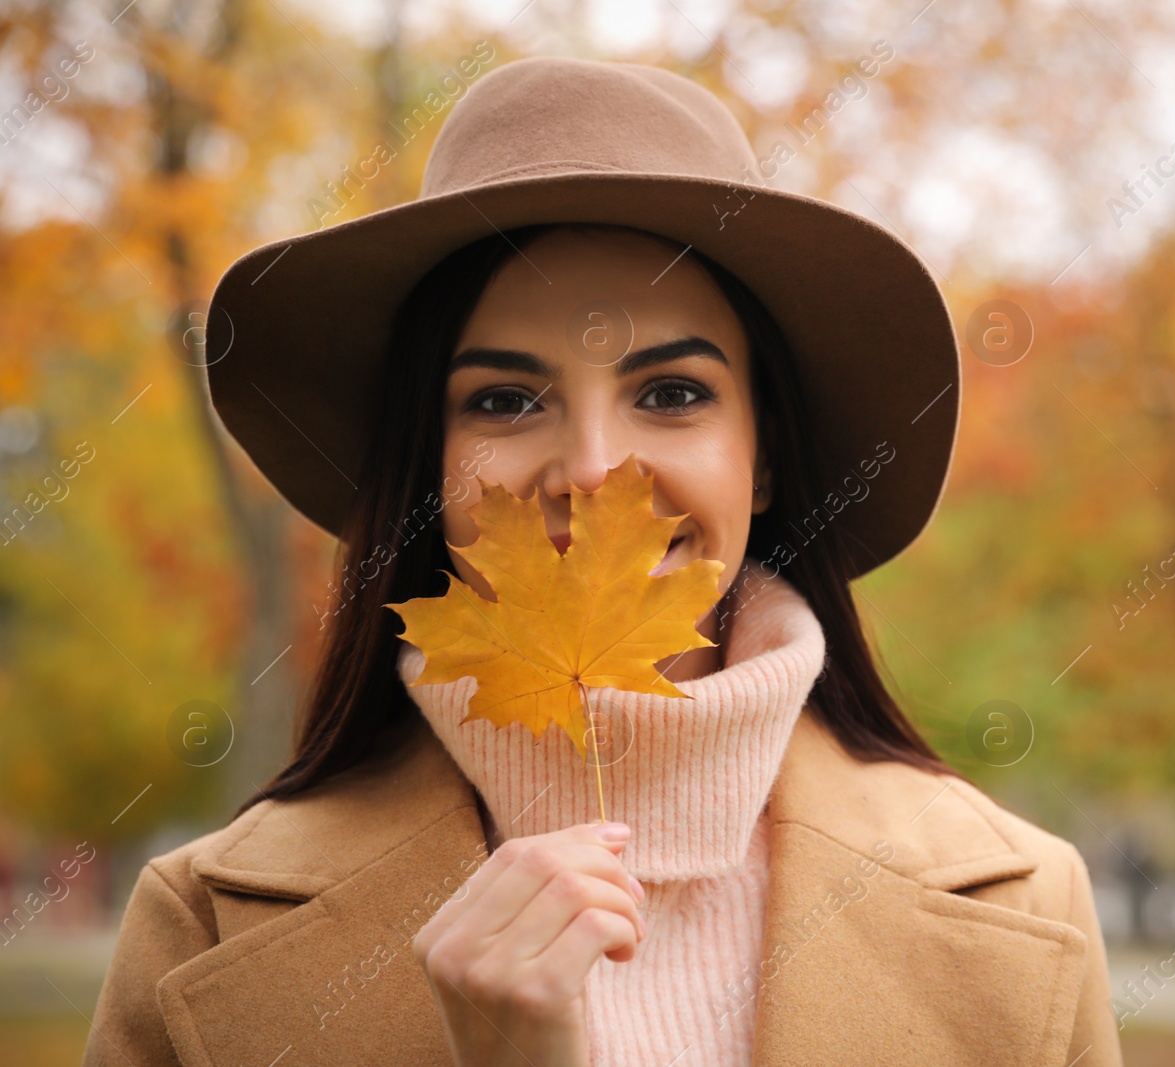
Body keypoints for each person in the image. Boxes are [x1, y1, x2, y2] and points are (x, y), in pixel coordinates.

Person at [84, 56, 1121, 1067]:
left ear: (761, 459)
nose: (588, 469)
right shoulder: (204, 923)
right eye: (503, 399)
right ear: (427, 467)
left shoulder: (1025, 906)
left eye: (671, 392)